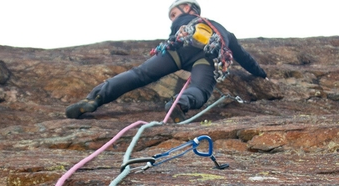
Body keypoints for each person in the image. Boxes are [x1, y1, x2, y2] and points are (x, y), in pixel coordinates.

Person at [65, 0, 267, 123]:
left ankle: (94, 98)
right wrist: (261, 74)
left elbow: (174, 35)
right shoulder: (224, 31)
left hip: (179, 48)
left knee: (139, 75)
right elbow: (244, 57)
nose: (173, 18)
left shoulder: (185, 20)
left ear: (187, 7)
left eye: (174, 13)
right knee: (200, 89)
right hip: (208, 57)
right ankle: (180, 103)